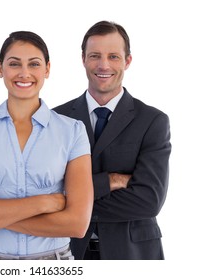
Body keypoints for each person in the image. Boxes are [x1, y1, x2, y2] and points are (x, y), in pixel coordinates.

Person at [0, 31, 93, 260]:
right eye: (14, 64)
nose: (24, 73)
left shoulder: (73, 131)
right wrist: (44, 202)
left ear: (47, 69)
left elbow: (76, 224)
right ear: (0, 69)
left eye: (33, 64)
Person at [53, 21, 172, 260]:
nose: (103, 65)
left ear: (127, 61)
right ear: (83, 59)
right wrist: (111, 181)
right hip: (67, 251)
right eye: (95, 55)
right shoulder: (56, 119)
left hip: (132, 254)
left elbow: (149, 200)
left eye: (113, 57)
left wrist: (71, 205)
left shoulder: (152, 121)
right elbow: (44, 189)